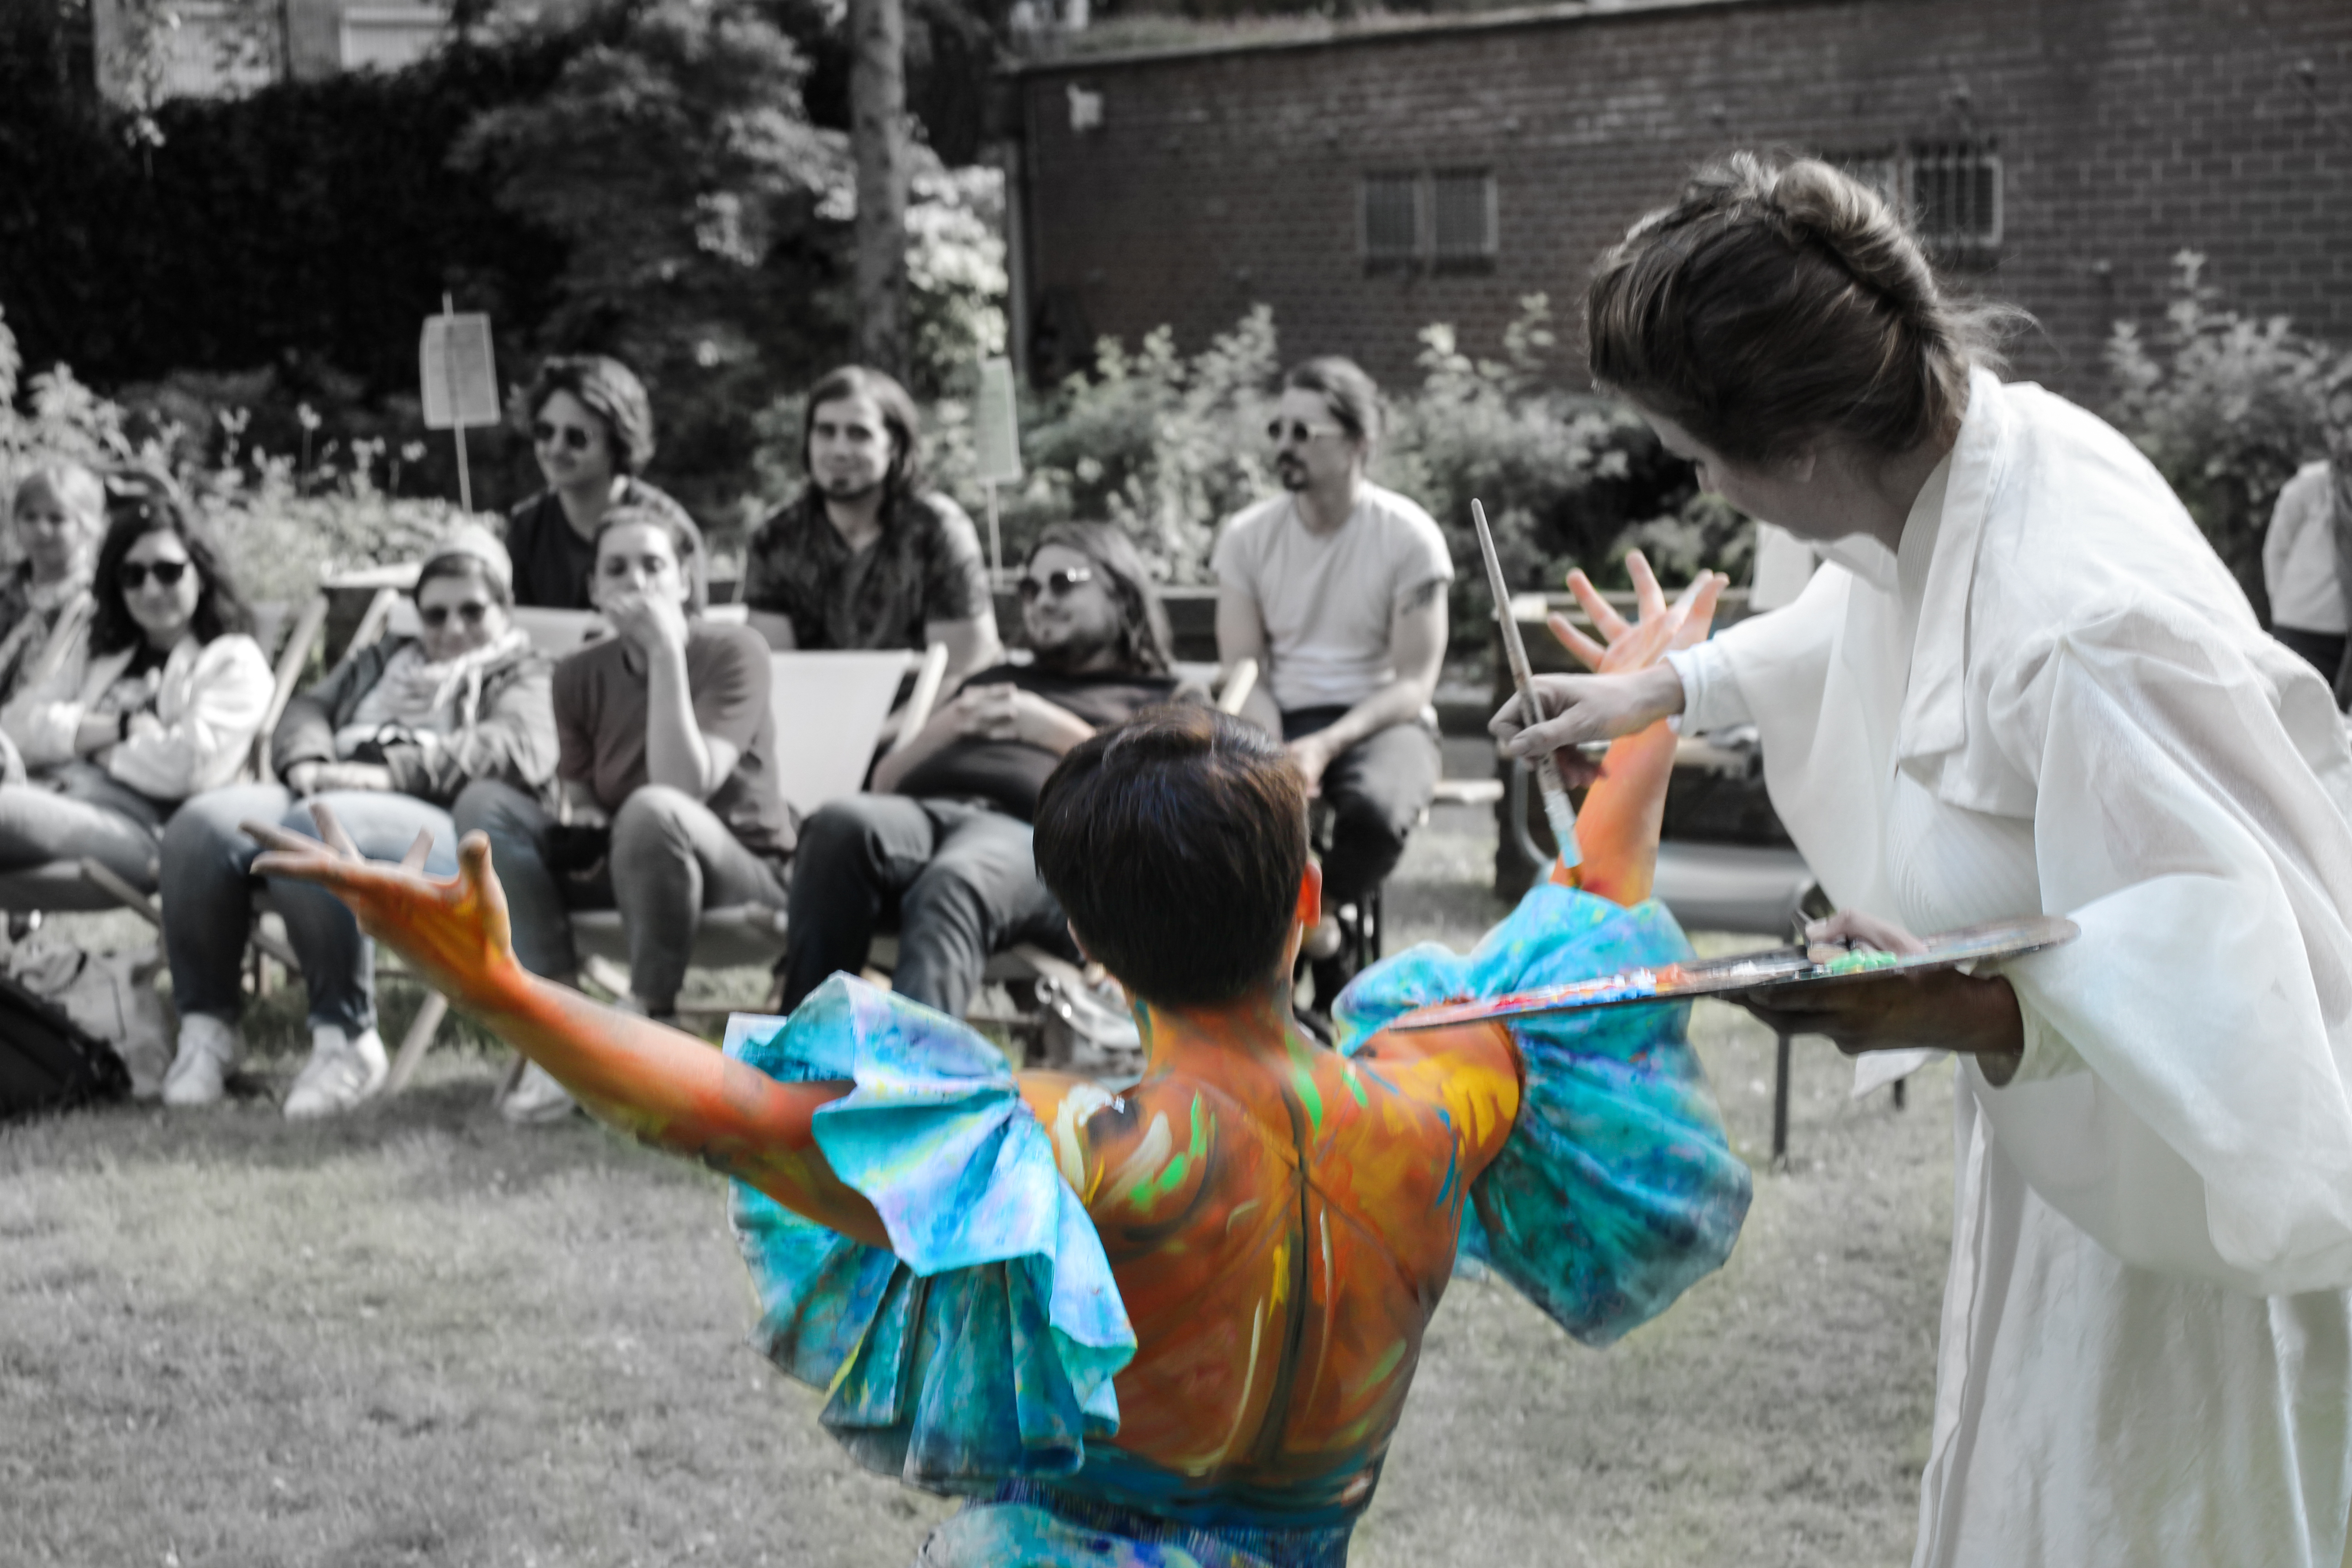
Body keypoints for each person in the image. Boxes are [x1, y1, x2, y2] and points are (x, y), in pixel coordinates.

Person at [248, 556, 1748, 1566]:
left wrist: (500, 981)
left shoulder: (1066, 1153)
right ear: (1307, 903)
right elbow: (1589, 922)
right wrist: (1649, 716)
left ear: (1085, 940)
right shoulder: (1439, 1098)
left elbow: (718, 1108)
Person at [1494, 152, 2352, 1568]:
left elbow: (2267, 977)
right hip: (2074, 1188)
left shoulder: (2081, 631)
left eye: (1700, 454)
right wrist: (1675, 687)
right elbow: (1877, 604)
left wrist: (1967, 1006)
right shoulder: (1981, 452)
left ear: (1806, 449)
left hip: (2189, 1246)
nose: (1700, 484)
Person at [155, 527, 556, 1114]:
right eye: (435, 614)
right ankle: (208, 1030)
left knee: (312, 829)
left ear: (506, 610)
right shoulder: (384, 659)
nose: (451, 630)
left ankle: (346, 1040)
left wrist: (390, 772)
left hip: (445, 821)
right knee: (204, 826)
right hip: (329, 788)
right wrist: (311, 759)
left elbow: (517, 747)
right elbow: (308, 709)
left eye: (473, 611)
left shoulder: (525, 669)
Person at [454, 503, 792, 1123]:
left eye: (653, 566)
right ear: (595, 589)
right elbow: (582, 793)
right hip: (626, 860)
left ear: (685, 582)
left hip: (742, 873)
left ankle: (647, 1025)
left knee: (653, 807)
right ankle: (557, 1027)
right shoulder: (578, 674)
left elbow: (681, 785)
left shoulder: (735, 652)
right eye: (617, 570)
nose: (637, 583)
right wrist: (579, 819)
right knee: (484, 805)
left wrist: (666, 653)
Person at [778, 522, 1181, 1021]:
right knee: (838, 824)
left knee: (957, 879)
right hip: (924, 817)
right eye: (1030, 588)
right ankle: (796, 1063)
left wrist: (1050, 728)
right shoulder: (993, 678)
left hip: (1046, 849)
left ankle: (911, 1089)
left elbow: (1158, 810)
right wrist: (946, 725)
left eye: (1064, 582)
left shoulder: (1163, 699)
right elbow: (885, 783)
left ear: (1121, 595)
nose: (1042, 600)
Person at [1214, 356, 1450, 1006]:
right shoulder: (1247, 536)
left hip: (1382, 718)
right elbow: (1246, 667)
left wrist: (1325, 747)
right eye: (1277, 430)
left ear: (1358, 443)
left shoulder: (1409, 538)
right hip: (1277, 713)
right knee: (1216, 815)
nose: (1284, 447)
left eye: (1303, 433)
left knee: (1376, 813)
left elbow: (1414, 684)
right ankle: (1321, 949)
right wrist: (1273, 748)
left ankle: (1318, 927)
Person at [0, 475, 270, 895]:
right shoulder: (102, 652)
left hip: (140, 830)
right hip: (49, 799)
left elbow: (189, 767)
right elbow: (17, 724)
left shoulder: (233, 660)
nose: (151, 589)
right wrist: (122, 729)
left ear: (200, 571)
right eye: (133, 575)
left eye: (168, 572)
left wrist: (90, 746)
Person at [740, 365, 1001, 687]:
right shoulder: (775, 538)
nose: (839, 449)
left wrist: (886, 736)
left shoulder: (937, 530)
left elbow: (963, 670)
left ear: (894, 445)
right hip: (814, 716)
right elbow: (775, 673)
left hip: (930, 718)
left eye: (859, 433)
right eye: (825, 431)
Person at [505, 354, 703, 610]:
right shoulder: (526, 530)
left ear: (617, 442)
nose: (556, 448)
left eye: (577, 438)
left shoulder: (669, 528)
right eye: (545, 432)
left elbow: (693, 635)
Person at [2263, 365, 2352, 704]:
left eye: (2351, 420)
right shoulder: (2309, 487)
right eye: (2334, 424)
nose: (2342, 433)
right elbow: (2277, 552)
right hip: (2303, 631)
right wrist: (2285, 607)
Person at [0, 460, 105, 703]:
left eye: (57, 519)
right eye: (30, 516)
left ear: (87, 526)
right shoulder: (8, 588)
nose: (42, 529)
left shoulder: (93, 601)